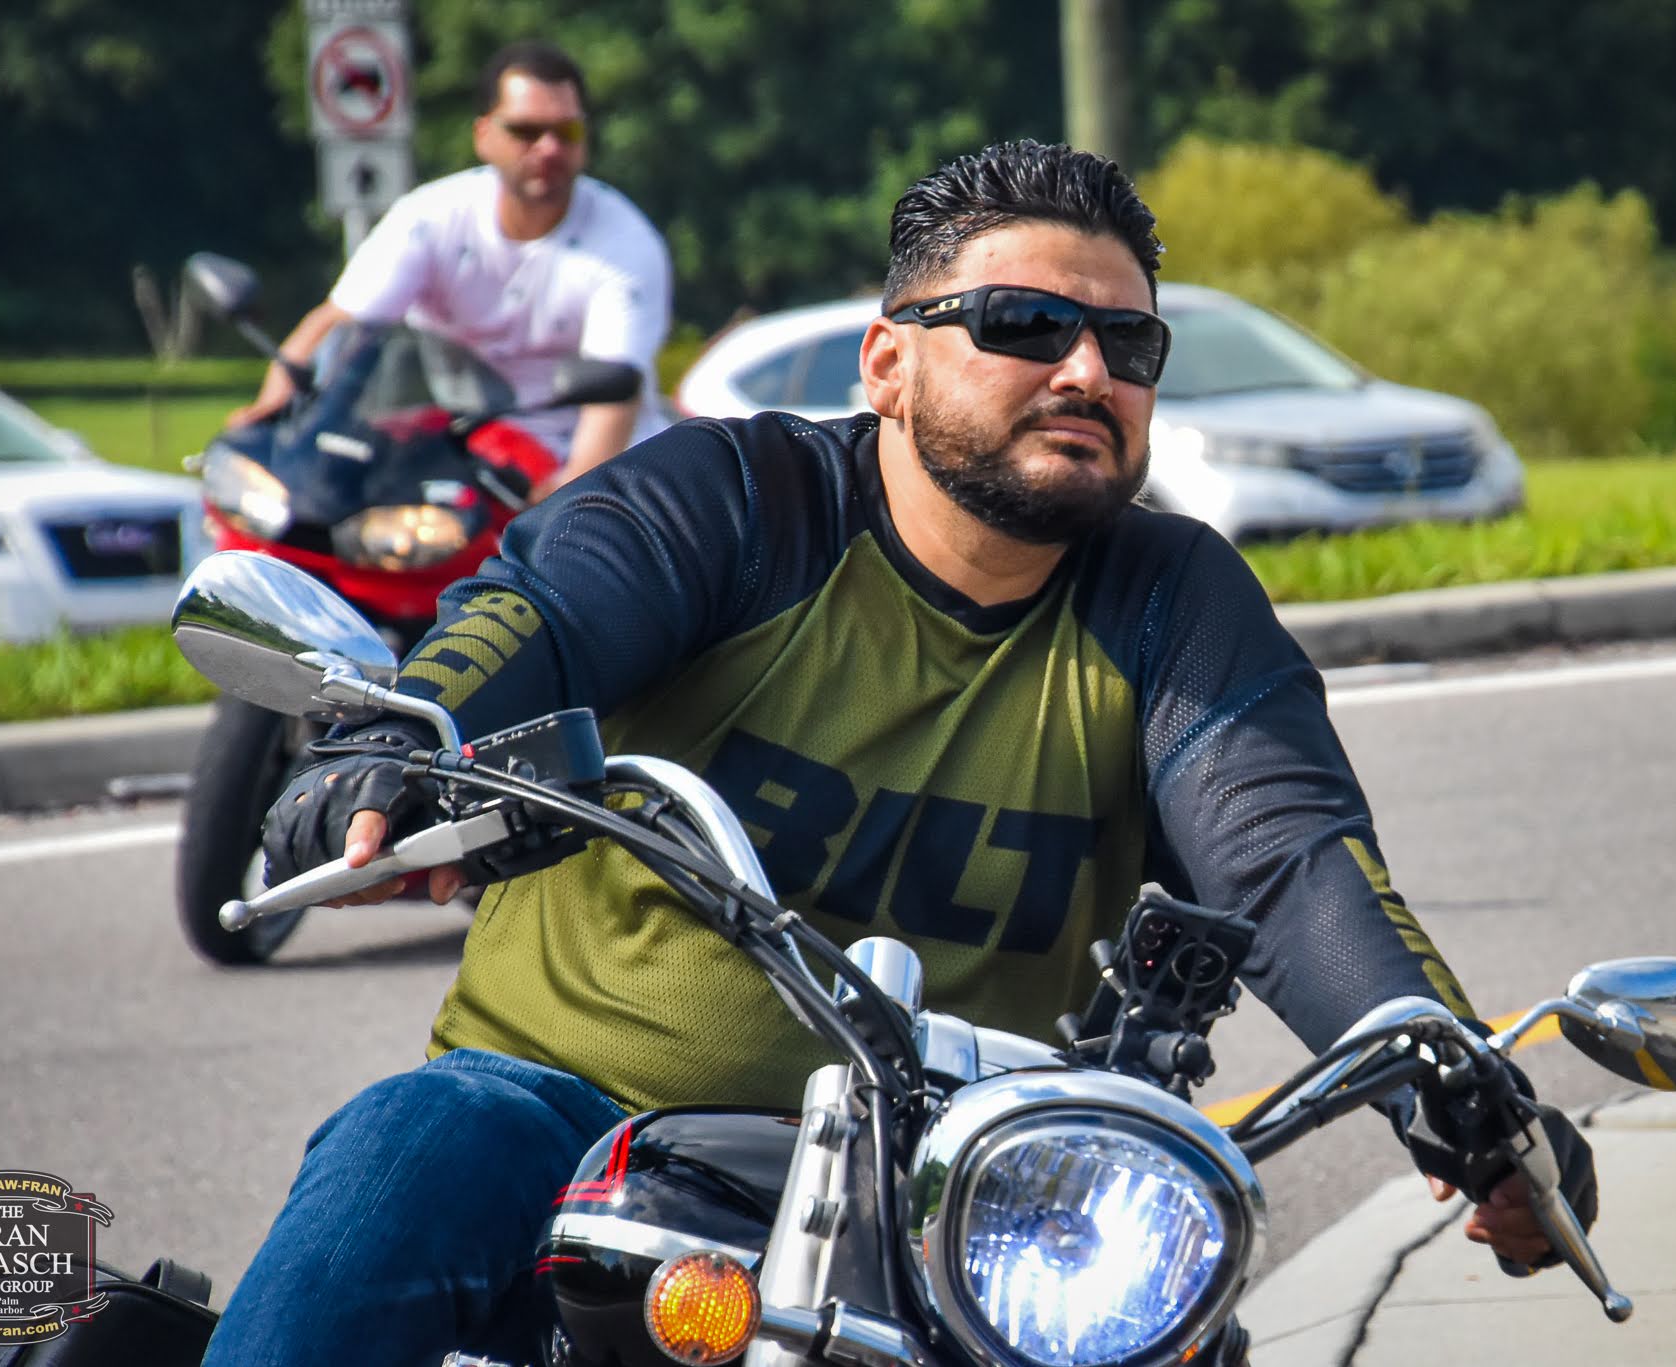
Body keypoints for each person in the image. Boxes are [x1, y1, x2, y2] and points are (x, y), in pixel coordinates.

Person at [206, 139, 1596, 1364]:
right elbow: (541, 614)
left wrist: (1463, 1085)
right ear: (887, 360)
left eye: (1129, 344)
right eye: (1025, 324)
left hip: (963, 1190)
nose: (1086, 370)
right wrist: (386, 741)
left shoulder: (1171, 603)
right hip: (569, 1113)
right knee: (412, 1144)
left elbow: (1289, 863)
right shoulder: (741, 499)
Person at [227, 39, 671, 498]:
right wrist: (268, 417)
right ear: (484, 135)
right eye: (526, 131)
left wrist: (566, 496)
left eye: (567, 131)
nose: (549, 148)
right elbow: (340, 323)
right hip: (452, 456)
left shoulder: (625, 242)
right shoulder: (430, 217)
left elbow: (615, 396)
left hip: (592, 469)